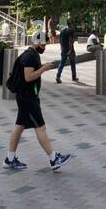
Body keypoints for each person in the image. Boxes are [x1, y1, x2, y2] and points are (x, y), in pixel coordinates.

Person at [4, 31, 72, 173]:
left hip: (25, 97)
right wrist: (44, 68)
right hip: (28, 98)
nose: (45, 47)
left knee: (19, 126)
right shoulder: (29, 56)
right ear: (37, 43)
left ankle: (9, 159)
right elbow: (28, 77)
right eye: (43, 44)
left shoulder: (31, 54)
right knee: (40, 127)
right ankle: (54, 159)